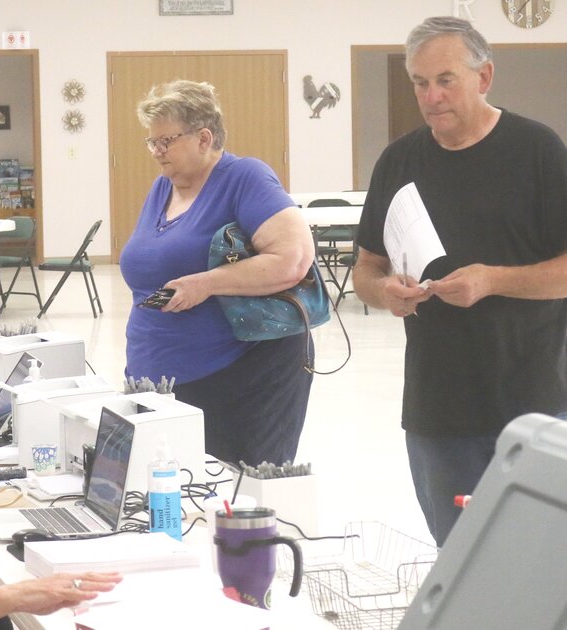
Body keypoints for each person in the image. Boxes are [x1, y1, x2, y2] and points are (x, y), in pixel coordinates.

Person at [353, 16, 567, 546]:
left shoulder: (538, 152)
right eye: (420, 83)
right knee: (458, 558)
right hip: (437, 407)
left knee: (535, 563)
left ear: (484, 76)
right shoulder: (398, 160)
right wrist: (384, 293)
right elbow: (365, 268)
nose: (431, 96)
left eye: (445, 79)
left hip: (532, 400)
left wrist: (492, 280)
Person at [120, 80, 316, 467]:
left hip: (240, 380)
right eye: (152, 142)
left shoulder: (245, 178)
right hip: (160, 382)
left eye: (166, 141)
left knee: (229, 502)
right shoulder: (164, 187)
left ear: (203, 138)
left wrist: (207, 284)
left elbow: (294, 258)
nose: (156, 152)